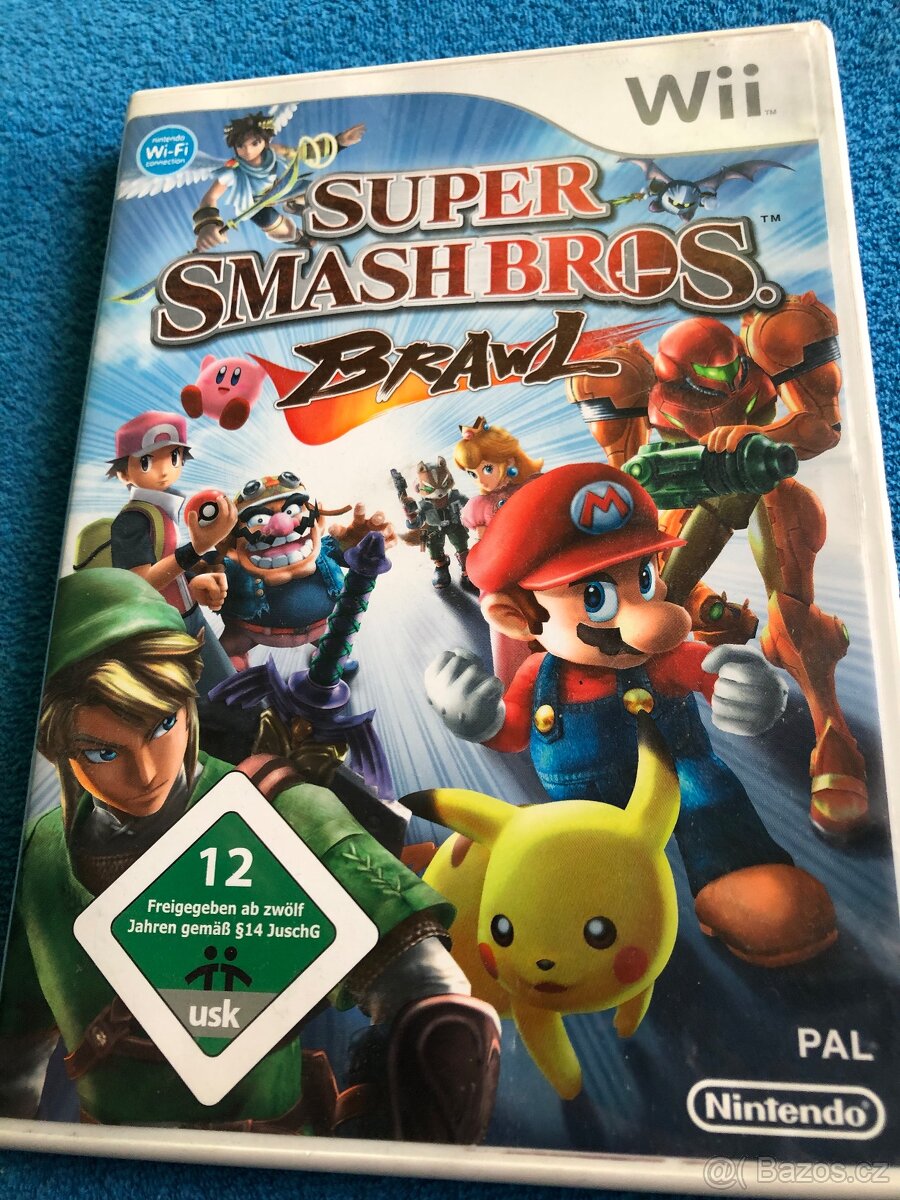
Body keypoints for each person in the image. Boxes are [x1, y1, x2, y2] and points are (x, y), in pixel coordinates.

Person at [0, 569, 499, 1140]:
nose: (146, 773)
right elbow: (13, 1061)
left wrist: (392, 1127)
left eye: (164, 724)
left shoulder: (280, 810)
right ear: (57, 746)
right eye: (103, 751)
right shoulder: (40, 857)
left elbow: (439, 1011)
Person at [425, 463, 837, 969]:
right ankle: (596, 910)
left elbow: (710, 673)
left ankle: (737, 868)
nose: (652, 617)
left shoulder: (662, 659)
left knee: (707, 792)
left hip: (675, 772)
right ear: (517, 615)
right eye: (595, 597)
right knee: (581, 862)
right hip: (584, 808)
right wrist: (474, 718)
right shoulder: (537, 675)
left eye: (643, 579)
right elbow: (511, 732)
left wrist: (750, 689)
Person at [108, 410, 236, 693]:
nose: (164, 470)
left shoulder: (163, 510)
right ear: (123, 473)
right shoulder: (131, 520)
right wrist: (198, 548)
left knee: (228, 692)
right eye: (146, 462)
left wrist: (193, 585)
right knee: (187, 700)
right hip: (161, 630)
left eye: (174, 457)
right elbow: (140, 586)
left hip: (189, 618)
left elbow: (167, 566)